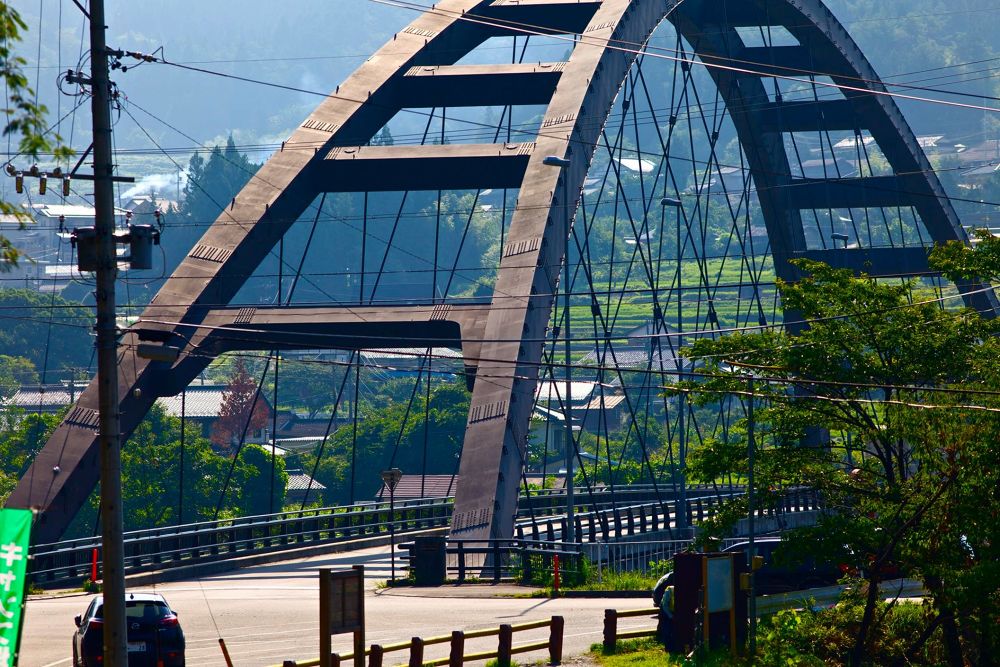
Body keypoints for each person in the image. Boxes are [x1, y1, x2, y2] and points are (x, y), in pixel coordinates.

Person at [652, 572, 675, 650]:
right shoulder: (670, 590)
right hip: (665, 611)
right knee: (665, 628)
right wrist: (671, 616)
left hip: (672, 610)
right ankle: (664, 643)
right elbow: (665, 606)